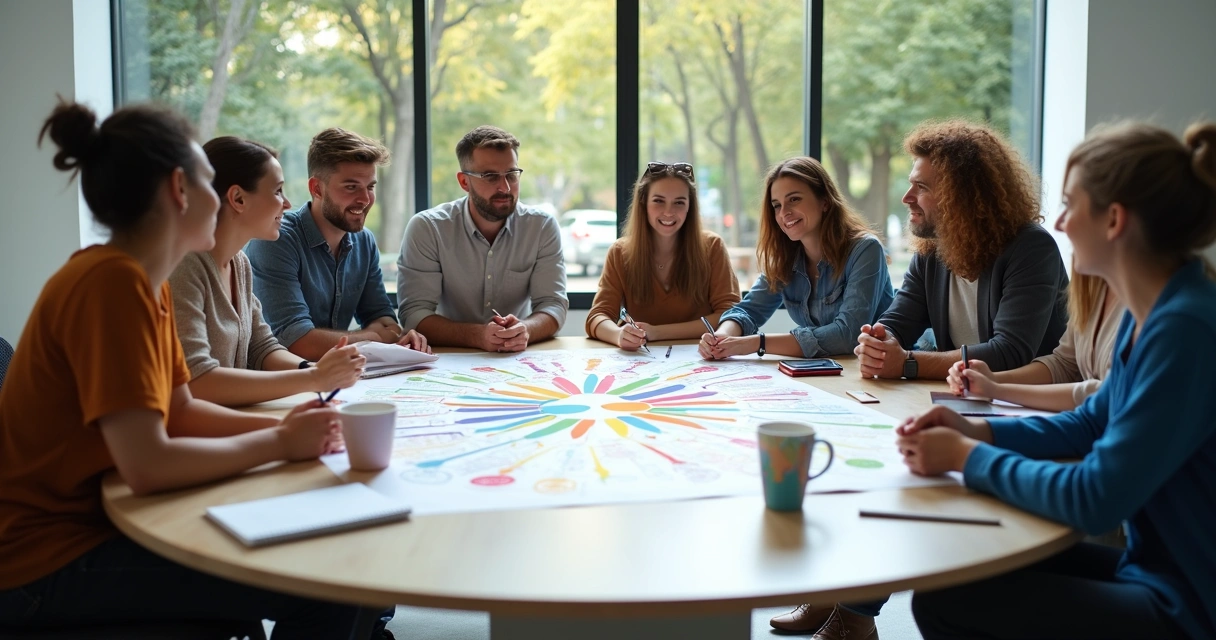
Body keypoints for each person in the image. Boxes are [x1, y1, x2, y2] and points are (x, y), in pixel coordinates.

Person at [0, 100, 385, 637]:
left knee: (331, 551)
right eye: (209, 182)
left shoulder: (144, 283)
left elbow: (179, 412)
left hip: (95, 527)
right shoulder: (111, 284)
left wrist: (296, 430)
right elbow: (148, 464)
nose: (220, 197)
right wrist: (279, 441)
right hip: (46, 562)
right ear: (180, 190)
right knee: (330, 578)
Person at [901, 121, 1216, 640]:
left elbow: (1095, 498)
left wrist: (966, 457)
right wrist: (977, 431)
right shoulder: (1153, 314)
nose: (1062, 223)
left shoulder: (1184, 329)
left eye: (1071, 205)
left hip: (1187, 605)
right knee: (959, 572)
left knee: (947, 599)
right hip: (1152, 569)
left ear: (1114, 220)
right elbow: (1090, 422)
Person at [854, 121, 1069, 386]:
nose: (907, 197)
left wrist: (908, 362)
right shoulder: (931, 249)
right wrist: (878, 341)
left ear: (959, 197)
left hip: (1027, 400)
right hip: (966, 395)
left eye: (922, 187)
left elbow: (1010, 352)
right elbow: (899, 321)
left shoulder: (1031, 248)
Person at [169, 136, 366, 407]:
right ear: (238, 198)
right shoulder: (184, 266)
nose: (287, 203)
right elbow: (197, 382)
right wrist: (314, 378)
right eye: (278, 191)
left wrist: (314, 370)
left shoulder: (239, 263)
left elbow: (262, 348)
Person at [247, 127, 428, 362]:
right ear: (316, 188)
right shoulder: (276, 240)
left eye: (370, 187)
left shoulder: (364, 241)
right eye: (351, 187)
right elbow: (297, 342)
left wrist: (384, 335)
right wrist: (373, 337)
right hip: (284, 378)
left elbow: (385, 322)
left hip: (338, 375)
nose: (365, 199)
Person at [700, 156, 893, 361]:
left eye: (794, 199)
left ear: (825, 201)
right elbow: (748, 310)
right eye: (776, 205)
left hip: (879, 371)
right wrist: (721, 336)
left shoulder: (865, 249)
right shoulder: (786, 257)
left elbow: (848, 335)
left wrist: (757, 343)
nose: (784, 213)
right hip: (828, 371)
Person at [396, 125, 568, 352]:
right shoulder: (428, 228)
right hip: (450, 356)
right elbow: (414, 314)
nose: (505, 187)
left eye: (511, 174)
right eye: (490, 176)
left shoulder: (541, 226)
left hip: (516, 356)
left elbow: (553, 305)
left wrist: (525, 330)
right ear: (464, 182)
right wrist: (478, 336)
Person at [586, 162, 739, 349]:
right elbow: (597, 316)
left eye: (679, 202)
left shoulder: (712, 247)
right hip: (642, 359)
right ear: (644, 203)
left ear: (690, 207)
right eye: (658, 201)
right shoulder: (619, 252)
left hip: (701, 357)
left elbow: (730, 315)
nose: (668, 212)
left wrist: (657, 332)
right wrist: (618, 335)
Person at [946, 269, 1124, 412]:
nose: (1061, 227)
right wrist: (991, 379)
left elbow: (1108, 395)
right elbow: (1065, 364)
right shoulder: (1093, 285)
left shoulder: (1137, 304)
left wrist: (997, 390)